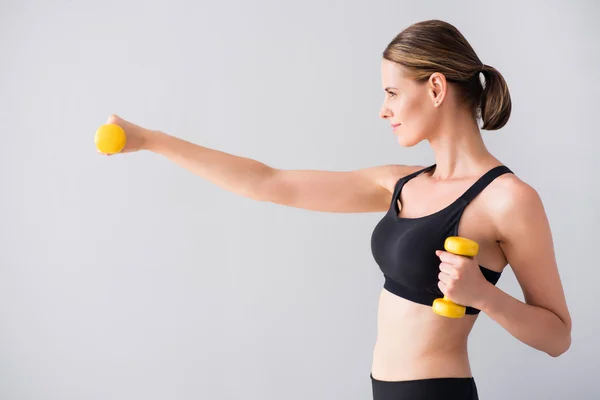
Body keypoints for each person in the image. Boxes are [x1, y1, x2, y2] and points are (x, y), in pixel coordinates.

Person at [99, 19, 572, 400]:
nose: (383, 110)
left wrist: (484, 297)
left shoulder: (508, 198)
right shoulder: (400, 182)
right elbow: (269, 183)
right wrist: (150, 141)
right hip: (381, 391)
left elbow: (557, 336)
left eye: (391, 92)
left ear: (435, 87)